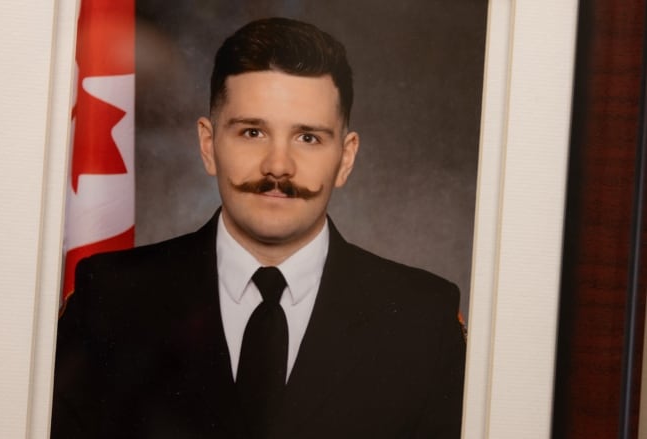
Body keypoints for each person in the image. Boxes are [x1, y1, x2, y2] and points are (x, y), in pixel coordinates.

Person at [51, 17, 465, 439]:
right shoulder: (110, 299)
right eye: (252, 132)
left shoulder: (423, 321)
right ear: (208, 145)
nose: (278, 166)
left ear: (346, 157)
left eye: (308, 138)